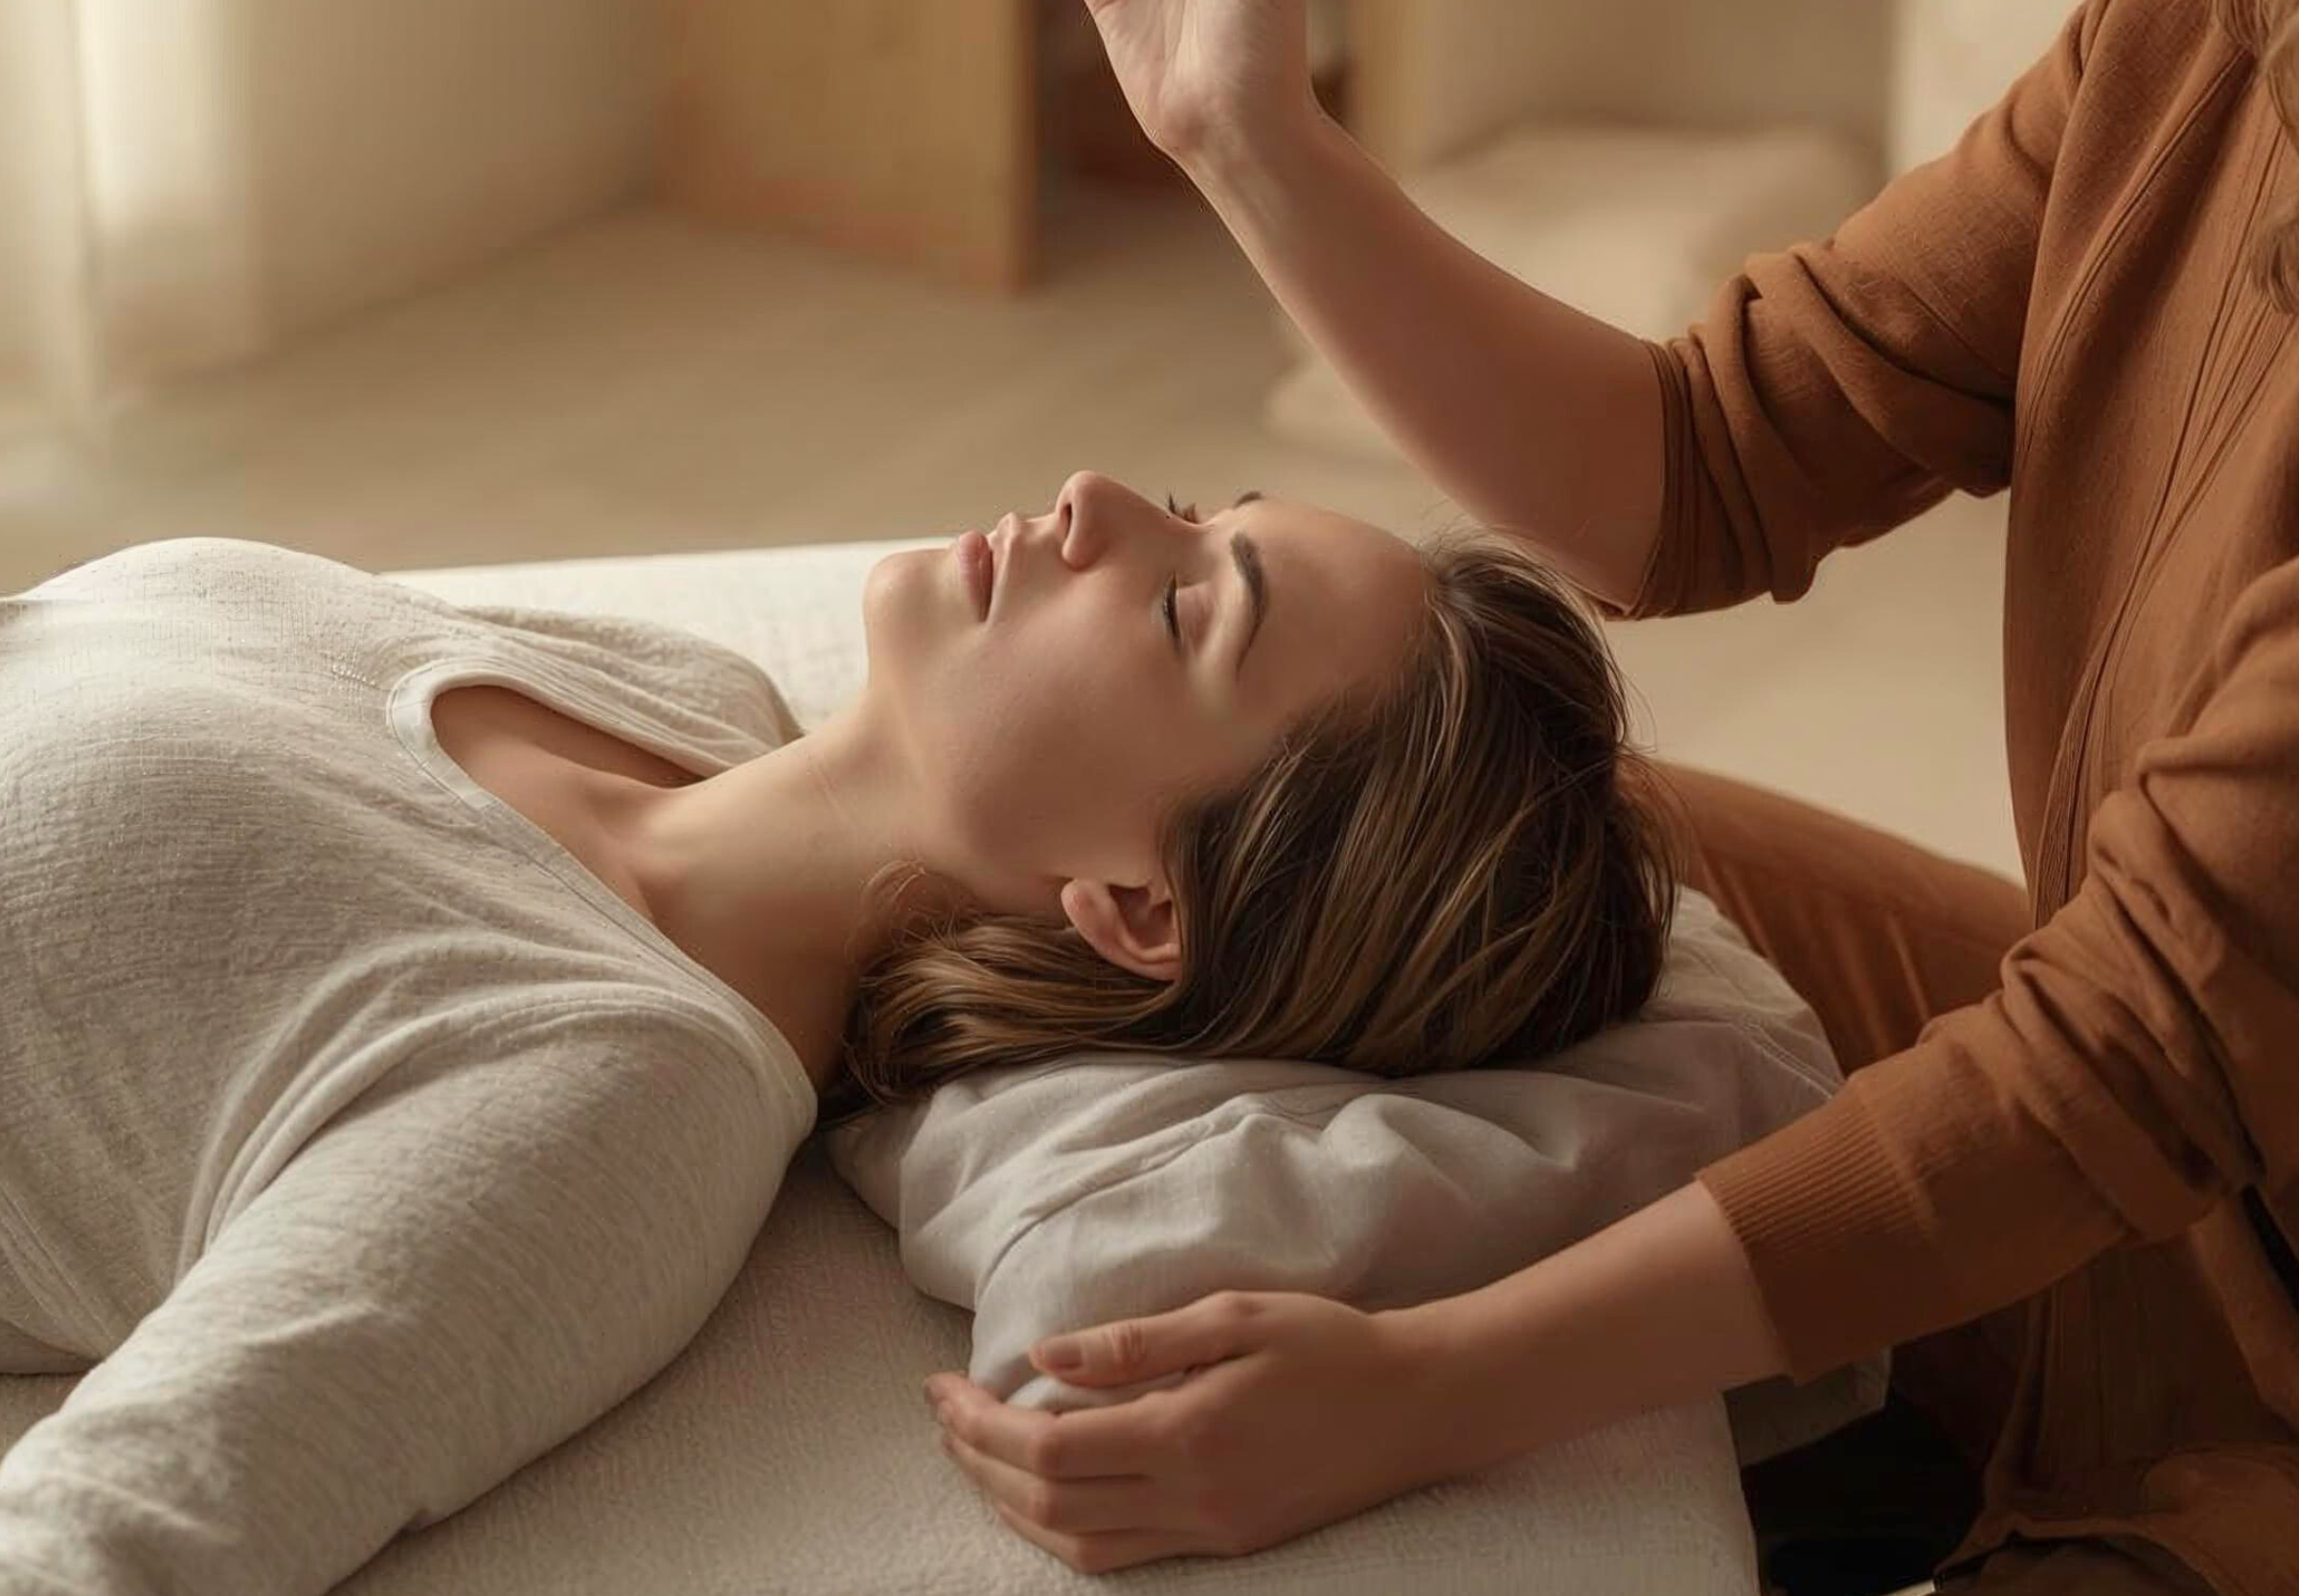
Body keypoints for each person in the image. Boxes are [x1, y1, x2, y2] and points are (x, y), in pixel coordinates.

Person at [925, 0, 2298, 1589]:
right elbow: (1704, 463)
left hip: (2239, 1324)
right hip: (2185, 1163)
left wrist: (1435, 1388)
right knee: (1522, 847)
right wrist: (1250, 132)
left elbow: (2118, 1068)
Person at [0, 480, 1681, 1593]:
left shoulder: (613, 1100)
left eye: (1185, 609)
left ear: (1142, 904)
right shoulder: (681, 690)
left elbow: (125, 1533)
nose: (1097, 502)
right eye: (1186, 507)